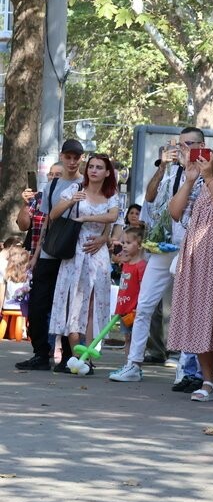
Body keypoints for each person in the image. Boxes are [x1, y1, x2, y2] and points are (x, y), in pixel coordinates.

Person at [155, 132, 213, 399]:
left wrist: (208, 177)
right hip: (198, 258)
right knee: (201, 318)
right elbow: (174, 212)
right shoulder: (200, 180)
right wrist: (191, 179)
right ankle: (206, 380)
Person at [113, 128, 207, 380]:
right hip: (162, 245)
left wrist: (193, 169)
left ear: (202, 146)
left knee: (186, 308)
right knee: (143, 305)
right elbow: (151, 197)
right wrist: (162, 166)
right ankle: (133, 363)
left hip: (190, 246)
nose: (185, 149)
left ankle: (187, 369)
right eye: (182, 144)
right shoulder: (169, 172)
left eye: (191, 144)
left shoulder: (207, 174)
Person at [48, 154, 120, 371]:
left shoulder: (112, 195)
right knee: (74, 301)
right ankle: (76, 355)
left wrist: (102, 235)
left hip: (98, 252)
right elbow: (53, 214)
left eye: (99, 167)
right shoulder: (75, 189)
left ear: (107, 172)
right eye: (91, 167)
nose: (94, 170)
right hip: (76, 250)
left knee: (93, 304)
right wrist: (72, 201)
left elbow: (113, 217)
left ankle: (88, 355)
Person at [17, 142, 85, 371]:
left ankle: (67, 356)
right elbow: (46, 221)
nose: (72, 161)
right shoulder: (52, 185)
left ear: (81, 158)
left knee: (67, 306)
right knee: (38, 304)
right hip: (48, 251)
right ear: (62, 156)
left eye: (76, 157)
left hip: (72, 253)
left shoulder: (86, 183)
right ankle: (40, 353)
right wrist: (36, 253)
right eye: (68, 156)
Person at [112, 227, 147, 353]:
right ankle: (127, 364)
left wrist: (139, 305)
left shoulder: (141, 265)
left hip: (133, 309)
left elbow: (143, 287)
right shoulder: (125, 263)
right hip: (123, 307)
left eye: (128, 243)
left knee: (134, 338)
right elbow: (116, 257)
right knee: (127, 338)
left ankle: (133, 363)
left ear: (139, 245)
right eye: (124, 242)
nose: (124, 246)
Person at [17, 164, 64, 256]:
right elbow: (23, 227)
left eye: (58, 175)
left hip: (58, 254)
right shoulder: (38, 197)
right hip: (35, 254)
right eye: (51, 174)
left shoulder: (70, 199)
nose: (53, 177)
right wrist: (25, 204)